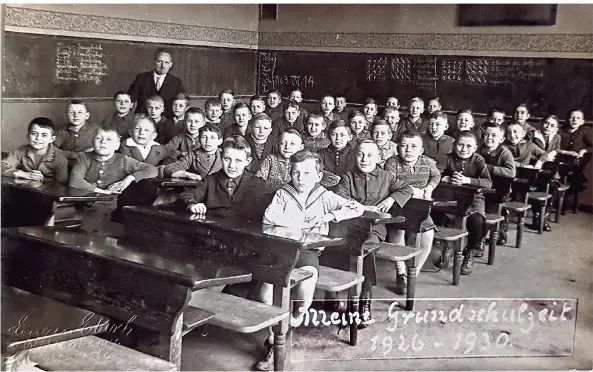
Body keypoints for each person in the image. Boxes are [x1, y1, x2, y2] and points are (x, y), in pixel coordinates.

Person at [257, 149, 364, 370]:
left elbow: (356, 207)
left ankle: (294, 320)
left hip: (308, 252)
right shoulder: (283, 194)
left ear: (318, 175)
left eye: (307, 173)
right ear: (290, 173)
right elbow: (268, 219)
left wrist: (330, 215)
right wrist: (299, 222)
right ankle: (274, 337)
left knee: (308, 281)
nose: (300, 178)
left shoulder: (323, 195)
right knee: (265, 290)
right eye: (296, 173)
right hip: (280, 249)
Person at [334, 140, 412, 325]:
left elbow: (406, 188)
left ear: (378, 158)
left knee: (366, 250)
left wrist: (392, 199)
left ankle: (364, 302)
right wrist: (361, 207)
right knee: (345, 249)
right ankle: (348, 301)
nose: (364, 159)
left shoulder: (386, 177)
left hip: (374, 228)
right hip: (350, 226)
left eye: (370, 155)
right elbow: (339, 195)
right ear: (355, 156)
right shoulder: (348, 177)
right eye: (360, 154)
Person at [384, 131, 440, 294]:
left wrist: (429, 188)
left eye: (414, 146)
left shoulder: (428, 163)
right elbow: (391, 181)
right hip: (399, 204)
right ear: (398, 148)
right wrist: (413, 190)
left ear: (421, 150)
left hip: (420, 206)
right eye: (404, 146)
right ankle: (401, 272)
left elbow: (436, 175)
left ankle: (413, 273)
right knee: (397, 230)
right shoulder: (392, 162)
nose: (408, 150)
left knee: (428, 234)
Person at [178, 135, 273, 222]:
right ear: (221, 157)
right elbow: (186, 195)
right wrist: (192, 205)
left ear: (247, 161)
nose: (231, 166)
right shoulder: (210, 180)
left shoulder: (257, 183)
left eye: (238, 161)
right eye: (227, 159)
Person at [441, 131, 492, 275]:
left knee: (477, 221)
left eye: (469, 146)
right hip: (452, 197)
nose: (464, 149)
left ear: (475, 148)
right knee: (440, 216)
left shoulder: (478, 160)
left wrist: (467, 180)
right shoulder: (448, 158)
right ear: (454, 145)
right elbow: (438, 174)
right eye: (460, 145)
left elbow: (488, 183)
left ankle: (470, 252)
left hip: (475, 199)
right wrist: (447, 179)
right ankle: (448, 246)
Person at [69, 125, 158, 194]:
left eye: (109, 139)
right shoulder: (84, 158)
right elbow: (75, 181)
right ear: (93, 142)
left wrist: (129, 178)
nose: (103, 142)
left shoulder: (123, 160)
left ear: (117, 145)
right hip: (80, 201)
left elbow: (152, 170)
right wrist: (103, 192)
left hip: (108, 206)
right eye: (99, 138)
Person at [478, 122, 516, 245]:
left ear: (501, 139)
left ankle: (481, 240)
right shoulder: (478, 150)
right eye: (486, 135)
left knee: (488, 210)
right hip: (481, 185)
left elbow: (511, 172)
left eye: (494, 135)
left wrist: (489, 168)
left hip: (498, 189)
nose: (489, 138)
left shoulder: (505, 153)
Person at [2, 117, 68, 184]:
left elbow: (62, 184)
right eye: (34, 133)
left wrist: (42, 179)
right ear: (28, 136)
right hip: (24, 189)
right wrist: (23, 174)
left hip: (47, 192)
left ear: (52, 139)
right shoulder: (20, 151)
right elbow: (2, 167)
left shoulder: (60, 158)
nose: (38, 138)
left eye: (44, 135)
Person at [128, 48, 185, 118]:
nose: (163, 65)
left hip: (167, 121)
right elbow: (130, 100)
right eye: (159, 61)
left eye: (166, 62)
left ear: (170, 65)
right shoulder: (141, 78)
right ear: (154, 62)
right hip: (143, 120)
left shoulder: (177, 82)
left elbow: (181, 104)